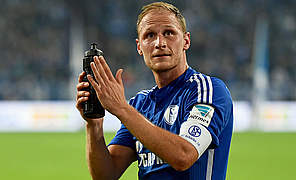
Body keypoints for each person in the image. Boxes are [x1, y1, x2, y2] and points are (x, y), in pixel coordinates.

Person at [76, 2, 233, 180]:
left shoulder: (207, 90)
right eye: (150, 35)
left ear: (186, 41)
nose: (160, 43)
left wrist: (121, 109)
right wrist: (94, 125)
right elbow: (106, 175)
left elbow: (183, 156)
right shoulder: (140, 104)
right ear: (139, 47)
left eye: (169, 33)